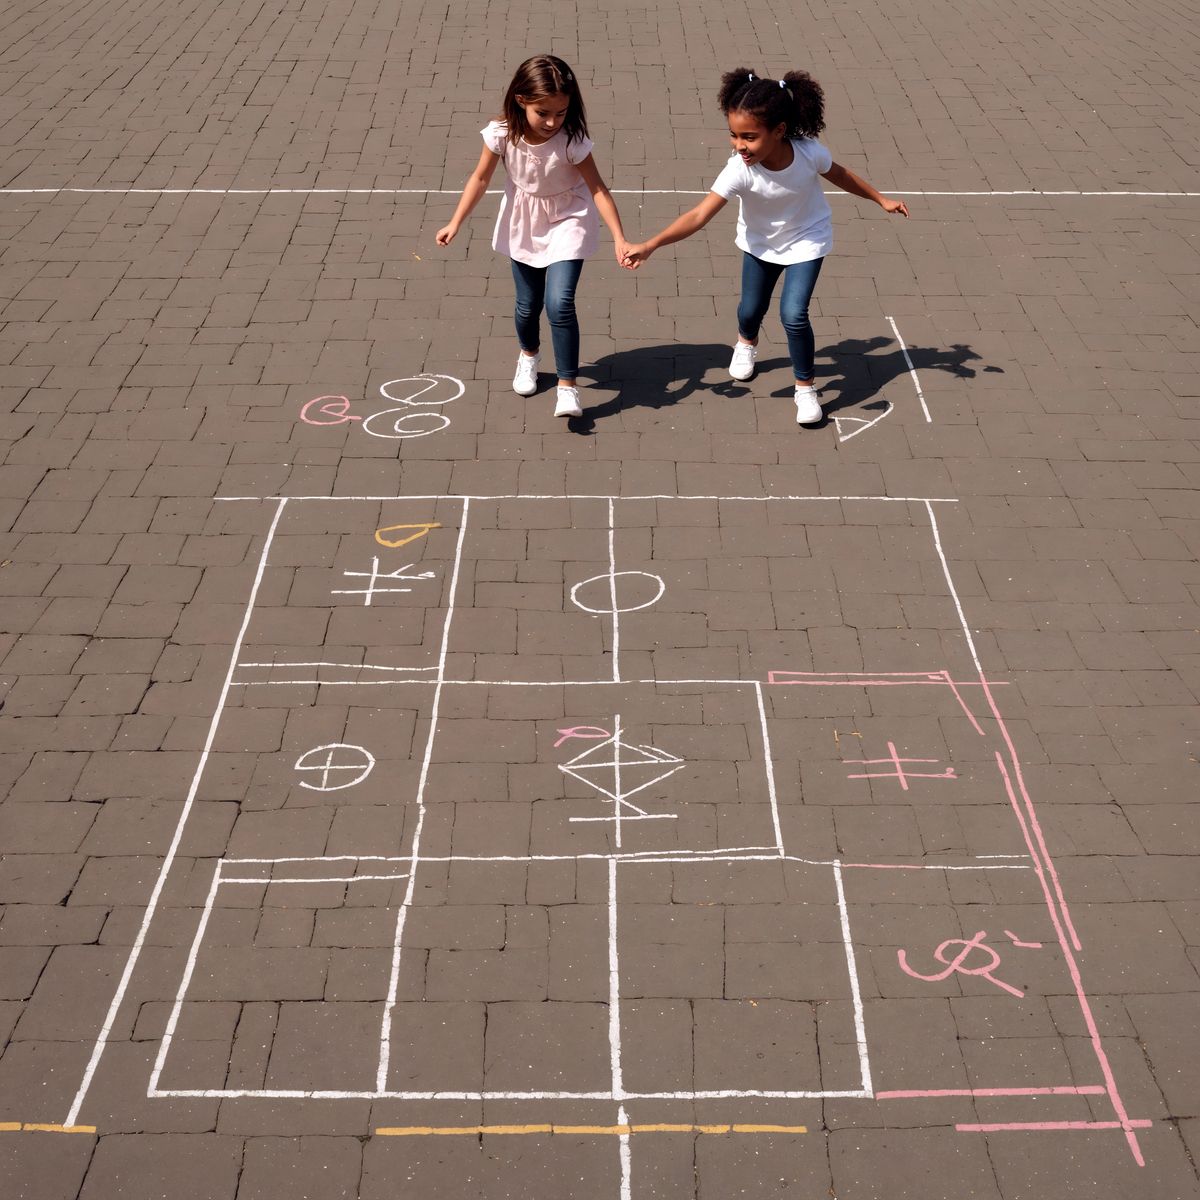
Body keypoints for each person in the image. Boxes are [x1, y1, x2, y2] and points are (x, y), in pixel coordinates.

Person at [622, 68, 909, 424]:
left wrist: (881, 199)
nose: (739, 145)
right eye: (733, 135)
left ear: (779, 130)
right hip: (760, 245)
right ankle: (746, 342)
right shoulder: (739, 170)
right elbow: (698, 215)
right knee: (750, 310)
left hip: (807, 239)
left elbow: (840, 174)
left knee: (794, 314)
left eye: (749, 137)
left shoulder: (808, 153)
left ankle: (805, 389)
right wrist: (651, 244)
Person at [436, 54, 630, 418]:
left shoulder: (572, 141)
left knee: (559, 303)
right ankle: (529, 355)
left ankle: (567, 387)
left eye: (561, 112)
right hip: (524, 221)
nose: (553, 122)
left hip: (568, 220)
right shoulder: (502, 134)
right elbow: (480, 178)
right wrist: (455, 222)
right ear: (521, 100)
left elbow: (598, 189)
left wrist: (620, 237)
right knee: (527, 305)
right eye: (543, 113)